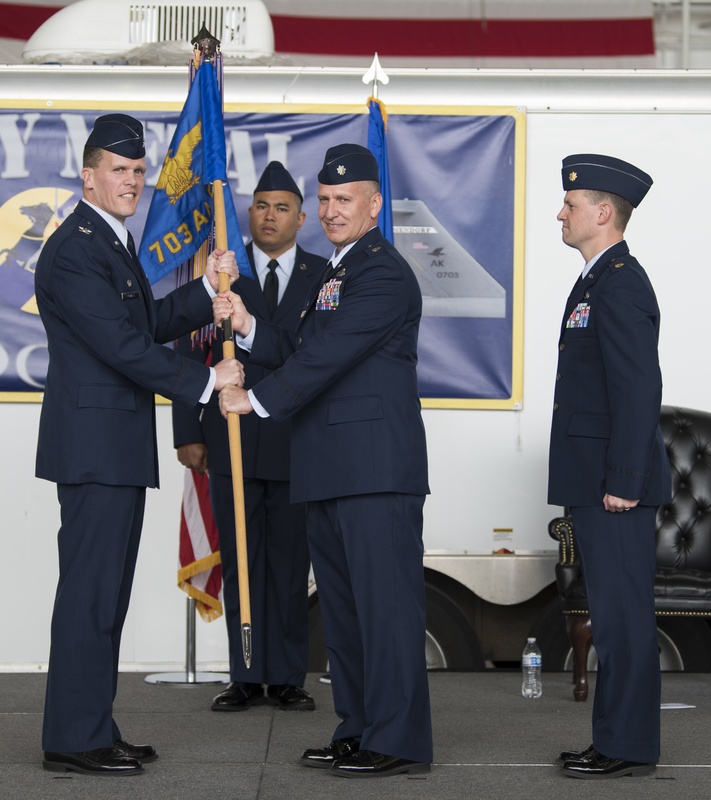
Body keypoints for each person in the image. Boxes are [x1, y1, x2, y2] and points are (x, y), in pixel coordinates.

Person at [34, 113, 244, 777]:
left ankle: (92, 724)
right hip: (95, 448)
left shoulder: (109, 241)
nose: (131, 181)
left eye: (136, 171)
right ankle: (73, 736)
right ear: (88, 176)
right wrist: (207, 381)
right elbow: (121, 347)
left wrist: (205, 296)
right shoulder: (75, 249)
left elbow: (146, 321)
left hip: (112, 447)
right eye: (118, 171)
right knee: (90, 597)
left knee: (105, 597)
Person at [217, 144, 433, 778]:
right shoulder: (338, 272)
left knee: (385, 613)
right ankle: (360, 728)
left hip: (372, 470)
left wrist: (253, 399)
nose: (333, 211)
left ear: (374, 205)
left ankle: (398, 742)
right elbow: (295, 345)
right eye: (327, 200)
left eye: (347, 200)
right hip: (330, 467)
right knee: (344, 614)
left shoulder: (383, 272)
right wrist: (250, 326)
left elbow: (326, 356)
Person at [172, 161, 325, 712]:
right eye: (261, 205)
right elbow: (190, 346)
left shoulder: (325, 275)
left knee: (288, 565)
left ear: (301, 218)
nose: (270, 216)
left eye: (282, 207)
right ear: (249, 213)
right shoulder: (222, 273)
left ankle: (285, 676)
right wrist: (187, 430)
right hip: (230, 438)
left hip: (296, 440)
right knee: (240, 560)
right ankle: (244, 674)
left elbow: (318, 356)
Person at [549, 153, 672, 779]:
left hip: (614, 484)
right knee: (612, 615)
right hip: (594, 477)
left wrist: (624, 481)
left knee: (622, 619)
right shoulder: (596, 278)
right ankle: (615, 740)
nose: (561, 214)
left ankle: (625, 747)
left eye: (571, 206)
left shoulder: (621, 282)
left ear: (603, 213)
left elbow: (637, 388)